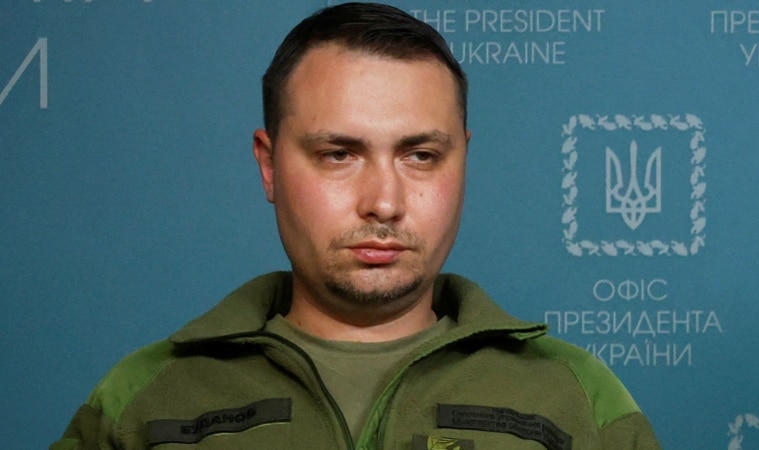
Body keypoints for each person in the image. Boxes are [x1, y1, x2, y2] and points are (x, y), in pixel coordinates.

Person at [51, 3, 661, 449]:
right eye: (339, 154)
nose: (384, 203)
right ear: (269, 167)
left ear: (463, 162)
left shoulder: (576, 398)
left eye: (420, 155)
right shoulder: (145, 399)